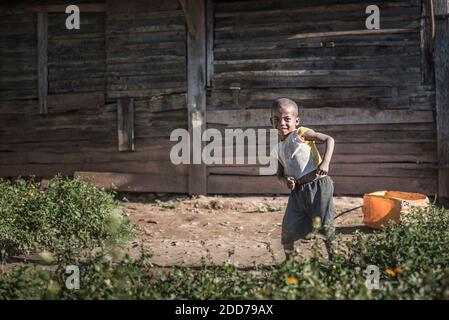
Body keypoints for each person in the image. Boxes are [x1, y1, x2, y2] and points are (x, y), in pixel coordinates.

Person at [270, 98, 336, 260]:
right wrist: (287, 180)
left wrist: (325, 162)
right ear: (271, 121)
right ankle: (289, 263)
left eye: (287, 119)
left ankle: (335, 260)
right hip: (298, 192)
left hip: (319, 186)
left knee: (324, 224)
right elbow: (280, 174)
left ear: (296, 120)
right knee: (288, 226)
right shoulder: (277, 148)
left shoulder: (300, 134)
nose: (282, 123)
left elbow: (329, 139)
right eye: (277, 119)